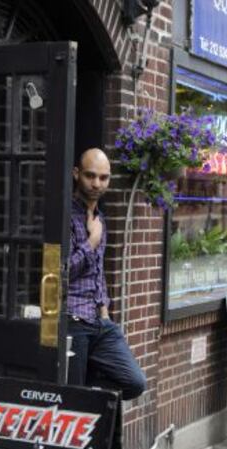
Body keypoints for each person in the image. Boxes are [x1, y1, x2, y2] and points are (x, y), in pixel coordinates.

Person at [67, 148, 146, 400]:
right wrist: (92, 241)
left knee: (135, 382)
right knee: (73, 399)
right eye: (90, 176)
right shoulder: (66, 217)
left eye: (103, 178)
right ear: (76, 174)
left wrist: (104, 310)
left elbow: (98, 270)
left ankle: (91, 393)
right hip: (73, 320)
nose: (96, 184)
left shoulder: (99, 218)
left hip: (99, 321)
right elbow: (63, 272)